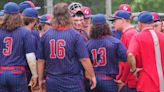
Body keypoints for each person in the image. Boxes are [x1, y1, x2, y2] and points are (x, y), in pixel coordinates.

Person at [37, 3, 96, 92]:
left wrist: (40, 79)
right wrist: (92, 76)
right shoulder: (75, 35)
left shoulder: (46, 35)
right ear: (68, 16)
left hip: (53, 80)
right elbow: (84, 59)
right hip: (72, 81)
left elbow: (41, 60)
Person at [0, 2, 38, 92]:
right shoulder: (24, 32)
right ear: (18, 15)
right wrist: (35, 75)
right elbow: (30, 56)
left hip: (1, 72)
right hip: (17, 72)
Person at [87, 14, 127, 92]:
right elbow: (126, 58)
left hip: (94, 80)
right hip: (108, 80)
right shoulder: (115, 42)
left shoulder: (88, 44)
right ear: (106, 26)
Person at [128, 11, 164, 92]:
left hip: (146, 83)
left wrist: (134, 70)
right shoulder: (162, 36)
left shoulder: (137, 37)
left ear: (140, 24)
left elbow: (130, 55)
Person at [110, 10, 137, 92]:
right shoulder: (130, 33)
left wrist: (123, 79)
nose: (113, 24)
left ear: (122, 20)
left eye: (114, 21)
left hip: (129, 80)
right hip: (130, 78)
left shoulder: (128, 34)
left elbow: (129, 59)